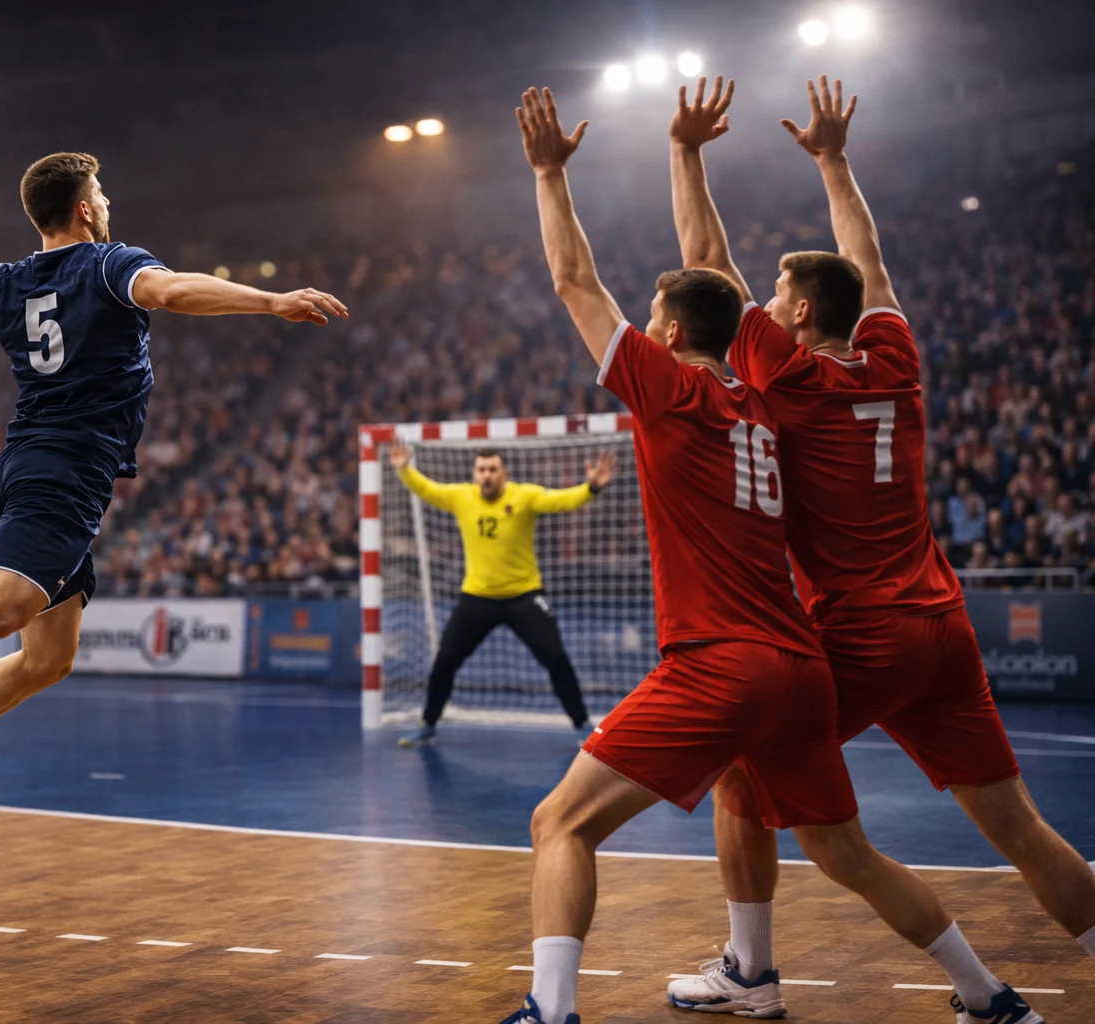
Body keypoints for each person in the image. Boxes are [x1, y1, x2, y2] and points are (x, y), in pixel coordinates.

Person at [497, 85, 1030, 1024]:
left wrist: (548, 174)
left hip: (724, 661)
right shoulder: (767, 406)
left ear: (666, 335)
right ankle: (986, 997)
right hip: (803, 664)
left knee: (558, 823)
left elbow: (579, 282)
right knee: (847, 852)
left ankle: (551, 1010)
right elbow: (788, 270)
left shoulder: (690, 390)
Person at [0, 150, 347, 832]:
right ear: (83, 207)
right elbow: (169, 291)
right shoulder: (108, 263)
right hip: (63, 470)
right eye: (100, 192)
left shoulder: (7, 282)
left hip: (36, 466)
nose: (106, 202)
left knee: (48, 657)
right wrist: (270, 300)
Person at [664, 74, 1074, 1023]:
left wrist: (685, 153)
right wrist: (834, 160)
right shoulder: (897, 359)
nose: (763, 300)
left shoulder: (792, 374)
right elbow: (869, 257)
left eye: (777, 294)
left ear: (800, 316)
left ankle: (750, 973)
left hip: (863, 629)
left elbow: (705, 260)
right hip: (942, 623)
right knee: (1020, 828)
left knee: (740, 764)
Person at [388, 443, 617, 746]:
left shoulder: (524, 496)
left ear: (504, 474)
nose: (487, 475)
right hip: (477, 598)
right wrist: (404, 469)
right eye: (481, 470)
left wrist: (591, 488)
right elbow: (427, 489)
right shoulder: (461, 497)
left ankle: (581, 725)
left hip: (524, 596)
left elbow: (562, 500)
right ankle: (428, 723)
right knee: (445, 661)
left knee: (556, 658)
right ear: (474, 474)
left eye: (493, 470)